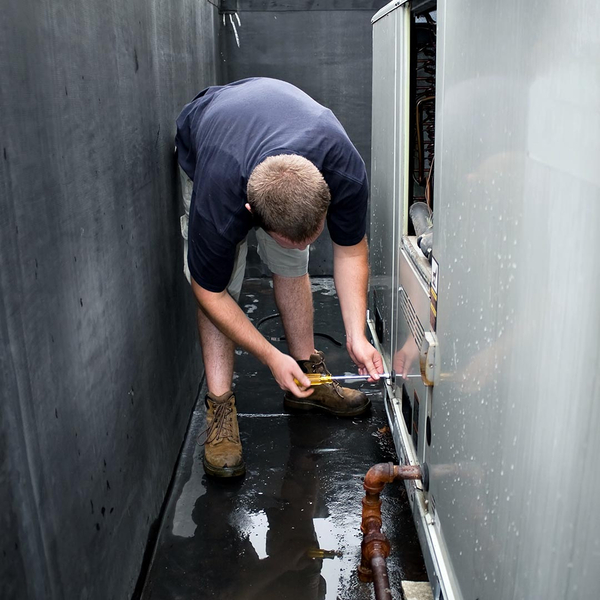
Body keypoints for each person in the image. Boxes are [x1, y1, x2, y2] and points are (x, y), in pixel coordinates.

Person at [175, 77, 383, 478]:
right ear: (251, 212)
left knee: (291, 262)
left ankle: (308, 376)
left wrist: (356, 334)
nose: (303, 242)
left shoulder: (341, 168)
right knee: (223, 280)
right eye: (287, 237)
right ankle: (220, 409)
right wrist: (271, 357)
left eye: (313, 232)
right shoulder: (219, 199)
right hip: (212, 136)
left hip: (276, 147)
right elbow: (209, 293)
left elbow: (351, 249)